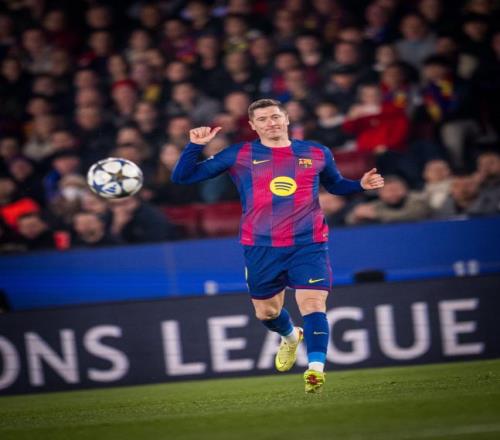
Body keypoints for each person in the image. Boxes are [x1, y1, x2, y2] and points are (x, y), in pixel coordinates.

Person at [172, 98, 384, 393]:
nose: (270, 123)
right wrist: (195, 146)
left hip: (308, 243)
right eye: (262, 119)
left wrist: (359, 185)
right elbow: (182, 177)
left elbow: (335, 185)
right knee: (267, 313)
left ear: (286, 119)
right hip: (261, 246)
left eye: (274, 116)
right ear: (252, 125)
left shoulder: (316, 152)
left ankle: (315, 370)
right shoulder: (239, 154)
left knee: (313, 304)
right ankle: (290, 336)